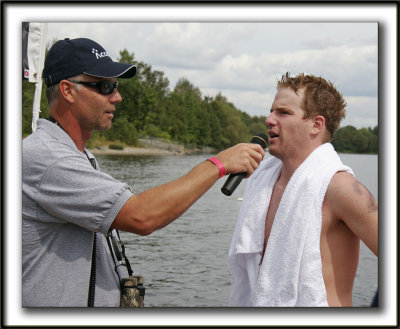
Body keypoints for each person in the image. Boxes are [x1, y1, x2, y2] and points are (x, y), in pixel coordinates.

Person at [22, 38, 265, 307]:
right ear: (68, 91)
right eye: (105, 86)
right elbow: (142, 216)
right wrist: (218, 165)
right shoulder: (49, 159)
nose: (117, 96)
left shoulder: (79, 156)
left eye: (115, 86)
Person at [229, 72, 378, 307]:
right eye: (271, 111)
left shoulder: (339, 187)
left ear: (316, 125)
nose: (269, 119)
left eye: (283, 112)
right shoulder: (263, 180)